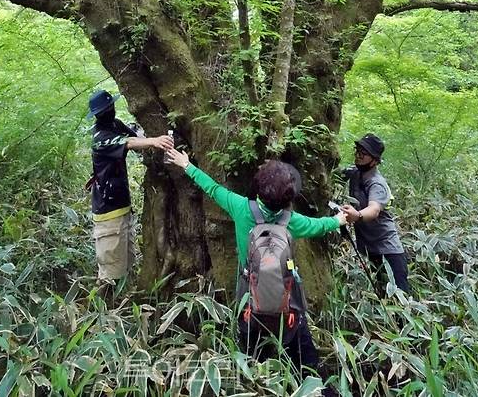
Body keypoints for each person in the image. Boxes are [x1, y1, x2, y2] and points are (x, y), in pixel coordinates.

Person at [166, 147, 347, 389]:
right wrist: (340, 219)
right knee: (307, 360)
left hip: (250, 299)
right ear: (288, 198)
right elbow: (320, 225)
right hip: (288, 301)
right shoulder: (292, 221)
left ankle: (255, 385)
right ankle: (318, 389)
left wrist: (186, 164)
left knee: (250, 354)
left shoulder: (240, 208)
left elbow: (211, 188)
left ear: (259, 190)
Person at [87, 89, 173, 284]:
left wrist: (152, 137)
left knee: (126, 263)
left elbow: (134, 134)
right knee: (110, 273)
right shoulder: (100, 137)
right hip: (108, 214)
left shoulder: (114, 125)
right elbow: (128, 142)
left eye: (110, 107)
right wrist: (154, 141)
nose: (110, 111)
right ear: (99, 114)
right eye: (107, 109)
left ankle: (122, 305)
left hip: (122, 208)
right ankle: (104, 312)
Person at [340, 133, 410, 294]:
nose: (358, 156)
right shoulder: (354, 173)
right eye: (357, 150)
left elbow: (374, 209)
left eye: (363, 153)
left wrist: (356, 215)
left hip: (388, 249)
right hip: (371, 248)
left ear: (375, 160)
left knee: (400, 296)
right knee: (382, 291)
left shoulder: (377, 183)